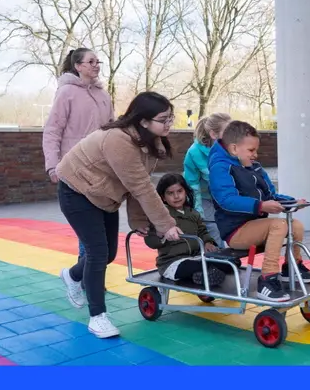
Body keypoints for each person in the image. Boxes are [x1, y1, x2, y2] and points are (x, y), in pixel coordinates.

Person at [54, 91, 182, 339]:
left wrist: (139, 220)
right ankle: (97, 317)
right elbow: (141, 187)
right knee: (97, 252)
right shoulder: (118, 140)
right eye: (163, 119)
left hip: (103, 195)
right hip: (76, 191)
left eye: (171, 117)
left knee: (108, 253)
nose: (169, 123)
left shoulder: (149, 141)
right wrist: (166, 225)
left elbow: (138, 182)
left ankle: (71, 275)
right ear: (143, 121)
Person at [208, 120, 310, 302]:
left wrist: (292, 201)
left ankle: (292, 266)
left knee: (296, 225)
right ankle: (267, 278)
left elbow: (271, 194)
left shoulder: (255, 167)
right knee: (278, 225)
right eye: (251, 150)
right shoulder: (220, 167)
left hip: (255, 225)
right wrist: (260, 206)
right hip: (236, 231)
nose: (255, 155)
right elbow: (226, 200)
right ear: (234, 149)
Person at [42, 48, 114, 275]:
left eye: (98, 61)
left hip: (101, 171)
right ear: (78, 66)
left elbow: (112, 130)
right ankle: (87, 278)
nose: (96, 65)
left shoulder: (104, 96)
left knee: (99, 230)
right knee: (90, 230)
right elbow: (53, 130)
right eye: (91, 61)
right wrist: (53, 165)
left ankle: (84, 275)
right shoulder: (66, 93)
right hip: (74, 171)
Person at [144, 173, 240, 288]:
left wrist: (208, 242)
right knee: (197, 265)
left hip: (197, 256)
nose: (176, 196)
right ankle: (205, 273)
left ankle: (206, 273)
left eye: (180, 191)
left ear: (185, 192)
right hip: (173, 262)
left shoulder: (193, 213)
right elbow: (150, 241)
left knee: (231, 261)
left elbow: (202, 231)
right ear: (163, 197)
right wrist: (160, 234)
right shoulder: (161, 216)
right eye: (170, 193)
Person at [183, 113, 232, 244]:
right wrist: (198, 210)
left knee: (227, 227)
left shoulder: (229, 148)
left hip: (221, 196)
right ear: (213, 134)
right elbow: (192, 184)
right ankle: (216, 259)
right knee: (213, 227)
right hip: (203, 198)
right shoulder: (193, 153)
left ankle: (225, 256)